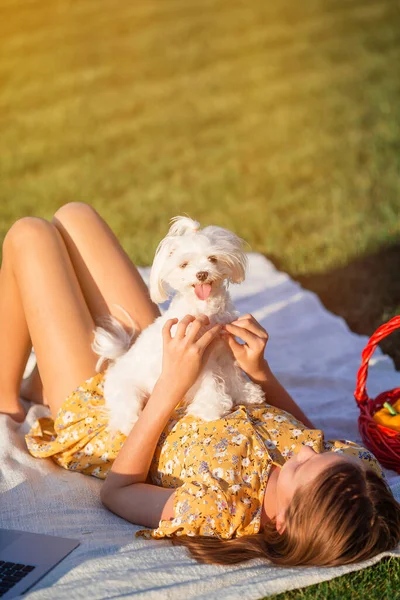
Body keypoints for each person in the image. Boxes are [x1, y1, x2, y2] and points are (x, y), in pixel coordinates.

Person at [1, 202, 399, 567]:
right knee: (75, 216)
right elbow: (302, 429)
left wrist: (171, 386)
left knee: (30, 235)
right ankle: (43, 379)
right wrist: (260, 372)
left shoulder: (220, 509)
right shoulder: (355, 478)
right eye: (324, 449)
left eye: (303, 464)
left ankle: (8, 395)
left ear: (280, 521)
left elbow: (118, 492)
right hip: (164, 361)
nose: (310, 445)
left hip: (113, 414)